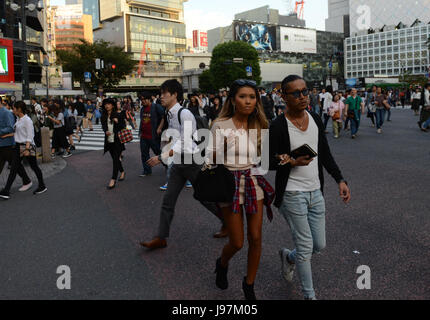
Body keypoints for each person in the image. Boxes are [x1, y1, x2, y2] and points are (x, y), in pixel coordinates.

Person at [269, 74, 351, 300]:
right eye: (296, 93)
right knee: (305, 246)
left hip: (316, 191)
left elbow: (325, 154)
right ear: (283, 97)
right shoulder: (277, 125)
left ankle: (289, 257)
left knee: (319, 244)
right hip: (291, 193)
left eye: (305, 91)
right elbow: (267, 160)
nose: (303, 96)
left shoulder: (314, 118)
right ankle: (309, 295)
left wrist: (340, 180)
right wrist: (291, 161)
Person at [140, 79, 227, 250]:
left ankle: (227, 221)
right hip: (179, 162)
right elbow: (176, 140)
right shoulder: (169, 113)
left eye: (165, 93)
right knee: (168, 200)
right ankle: (161, 237)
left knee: (204, 196)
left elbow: (185, 142)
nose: (161, 96)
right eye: (161, 93)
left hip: (192, 160)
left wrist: (162, 156)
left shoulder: (184, 113)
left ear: (174, 95)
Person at [209, 79, 274, 300]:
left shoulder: (260, 125)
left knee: (256, 237)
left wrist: (284, 159)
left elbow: (264, 162)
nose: (248, 101)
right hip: (229, 184)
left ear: (257, 100)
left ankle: (249, 285)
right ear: (233, 100)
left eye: (252, 97)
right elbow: (209, 159)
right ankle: (222, 263)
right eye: (242, 96)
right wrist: (225, 146)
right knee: (237, 242)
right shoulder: (221, 125)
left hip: (253, 180)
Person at [0, 101, 47, 199]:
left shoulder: (27, 120)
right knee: (13, 169)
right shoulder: (19, 119)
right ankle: (6, 191)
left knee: (34, 167)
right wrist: (7, 135)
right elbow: (17, 133)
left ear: (19, 109)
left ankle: (42, 185)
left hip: (27, 146)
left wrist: (26, 149)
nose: (12, 110)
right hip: (18, 146)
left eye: (14, 108)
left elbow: (30, 135)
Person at [101, 98, 126, 190]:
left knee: (115, 159)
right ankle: (122, 171)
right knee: (115, 159)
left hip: (117, 140)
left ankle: (113, 179)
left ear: (112, 105)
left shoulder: (118, 114)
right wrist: (106, 131)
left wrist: (117, 121)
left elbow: (123, 126)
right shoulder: (103, 115)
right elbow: (103, 126)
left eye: (109, 104)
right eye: (105, 104)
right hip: (109, 141)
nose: (107, 106)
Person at [139, 92, 164, 177]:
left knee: (158, 152)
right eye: (141, 99)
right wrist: (140, 131)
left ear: (149, 99)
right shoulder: (142, 109)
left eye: (144, 99)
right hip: (144, 136)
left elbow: (164, 116)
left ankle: (168, 166)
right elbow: (142, 121)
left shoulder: (156, 107)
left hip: (153, 136)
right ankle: (147, 170)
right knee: (144, 154)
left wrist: (159, 127)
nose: (142, 101)